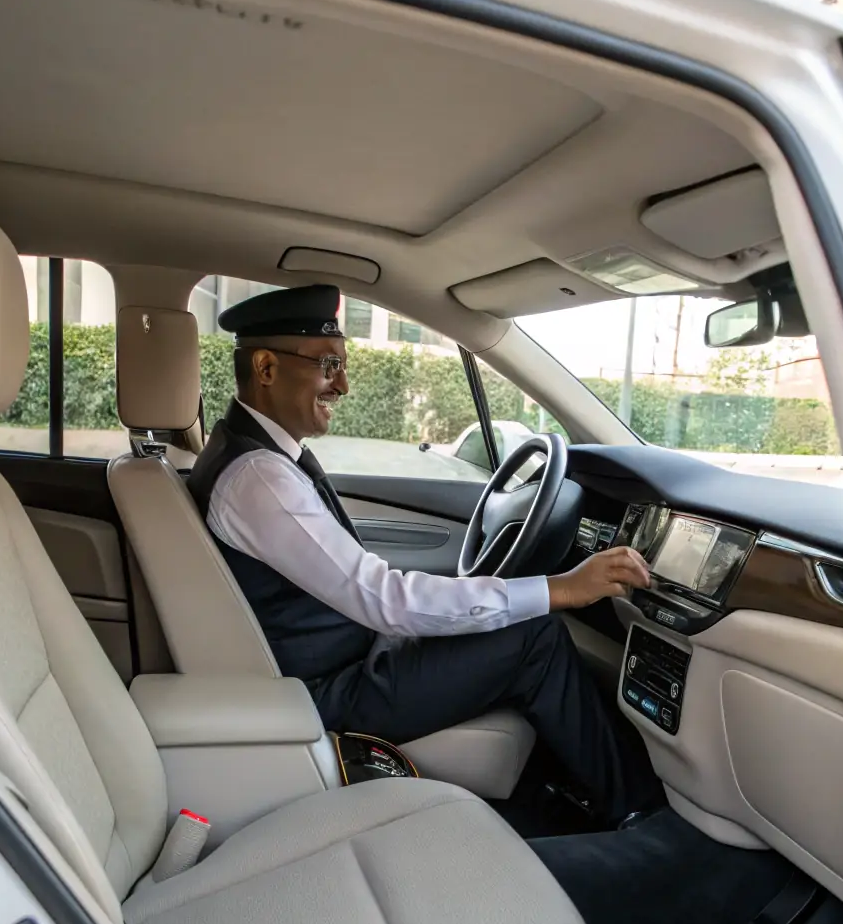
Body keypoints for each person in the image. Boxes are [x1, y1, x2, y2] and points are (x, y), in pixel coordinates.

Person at [188, 284, 664, 826]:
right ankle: (637, 812)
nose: (342, 385)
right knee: (538, 636)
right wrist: (560, 589)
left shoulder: (254, 455)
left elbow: (362, 587)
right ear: (267, 368)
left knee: (512, 628)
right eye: (328, 366)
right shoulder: (260, 478)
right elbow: (384, 599)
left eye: (343, 366)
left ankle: (584, 800)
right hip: (330, 691)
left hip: (340, 662)